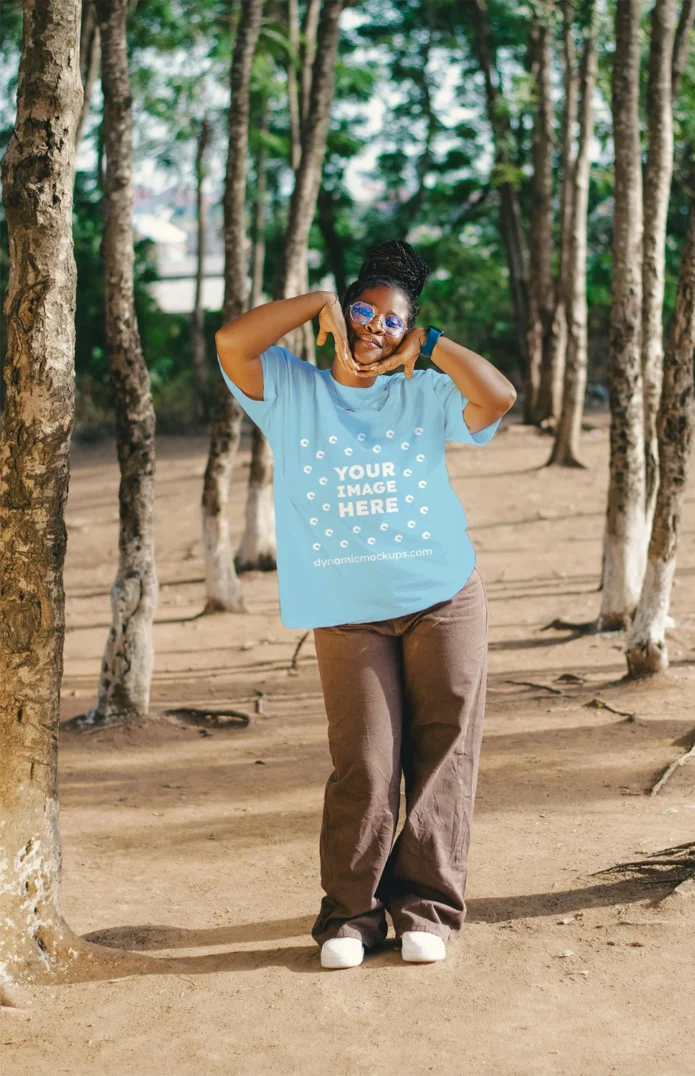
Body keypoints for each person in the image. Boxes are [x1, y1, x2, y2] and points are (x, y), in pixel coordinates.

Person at [215, 239, 516, 969]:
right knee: (366, 764)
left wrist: (432, 346)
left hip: (442, 596)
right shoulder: (291, 390)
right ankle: (350, 915)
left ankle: (428, 909)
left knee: (444, 753)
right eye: (361, 311)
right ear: (341, 315)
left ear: (408, 330)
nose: (374, 328)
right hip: (348, 612)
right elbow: (231, 340)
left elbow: (498, 395)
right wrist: (314, 303)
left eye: (393, 320)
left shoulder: (423, 390)